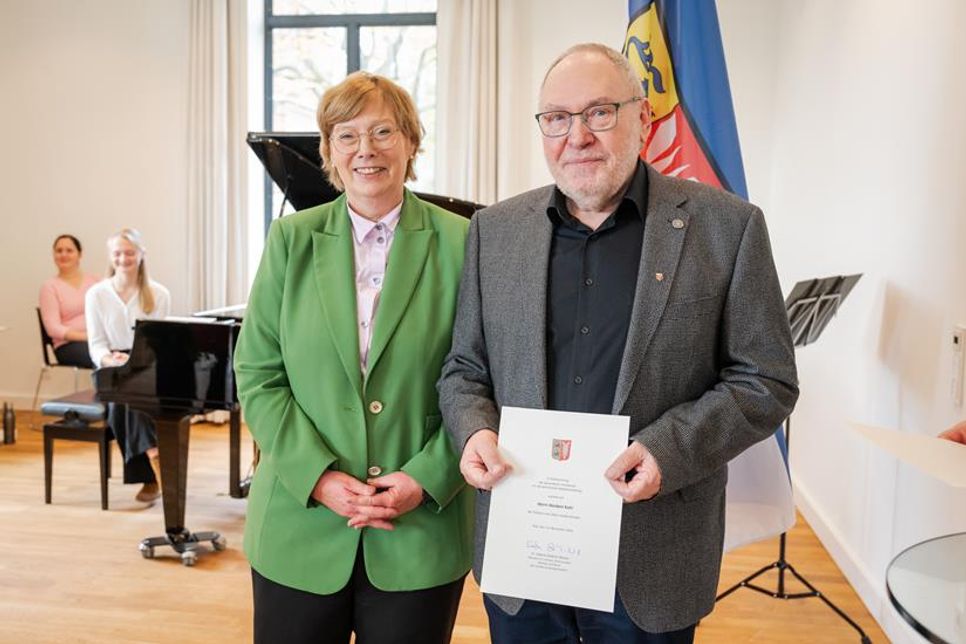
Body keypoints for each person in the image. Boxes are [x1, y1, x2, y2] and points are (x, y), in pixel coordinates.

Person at [437, 43, 800, 643]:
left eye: (599, 112)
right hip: (525, 547)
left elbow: (766, 379)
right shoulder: (494, 231)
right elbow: (464, 369)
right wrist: (474, 430)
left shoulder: (727, 227)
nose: (577, 136)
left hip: (652, 552)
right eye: (557, 118)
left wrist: (666, 451)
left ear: (643, 119)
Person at [234, 71, 473, 644]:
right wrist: (317, 478)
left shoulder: (466, 242)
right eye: (347, 135)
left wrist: (425, 478)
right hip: (299, 522)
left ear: (411, 141)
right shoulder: (290, 240)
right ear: (330, 151)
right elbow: (259, 374)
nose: (366, 149)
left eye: (383, 131)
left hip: (420, 528)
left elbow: (485, 378)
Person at [86, 228, 171, 503]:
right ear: (110, 257)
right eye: (118, 253)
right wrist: (111, 360)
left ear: (141, 254)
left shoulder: (159, 294)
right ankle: (154, 456)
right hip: (109, 366)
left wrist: (134, 361)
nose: (123, 259)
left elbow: (158, 343)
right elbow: (96, 344)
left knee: (124, 402)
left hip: (145, 365)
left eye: (129, 253)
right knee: (122, 395)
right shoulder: (96, 294)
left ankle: (150, 474)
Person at [38, 234, 98, 368]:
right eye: (59, 251)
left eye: (69, 250)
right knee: (105, 358)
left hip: (98, 340)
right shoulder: (49, 287)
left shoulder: (95, 282)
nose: (63, 255)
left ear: (79, 254)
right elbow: (53, 329)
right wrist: (87, 337)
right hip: (68, 345)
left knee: (131, 355)